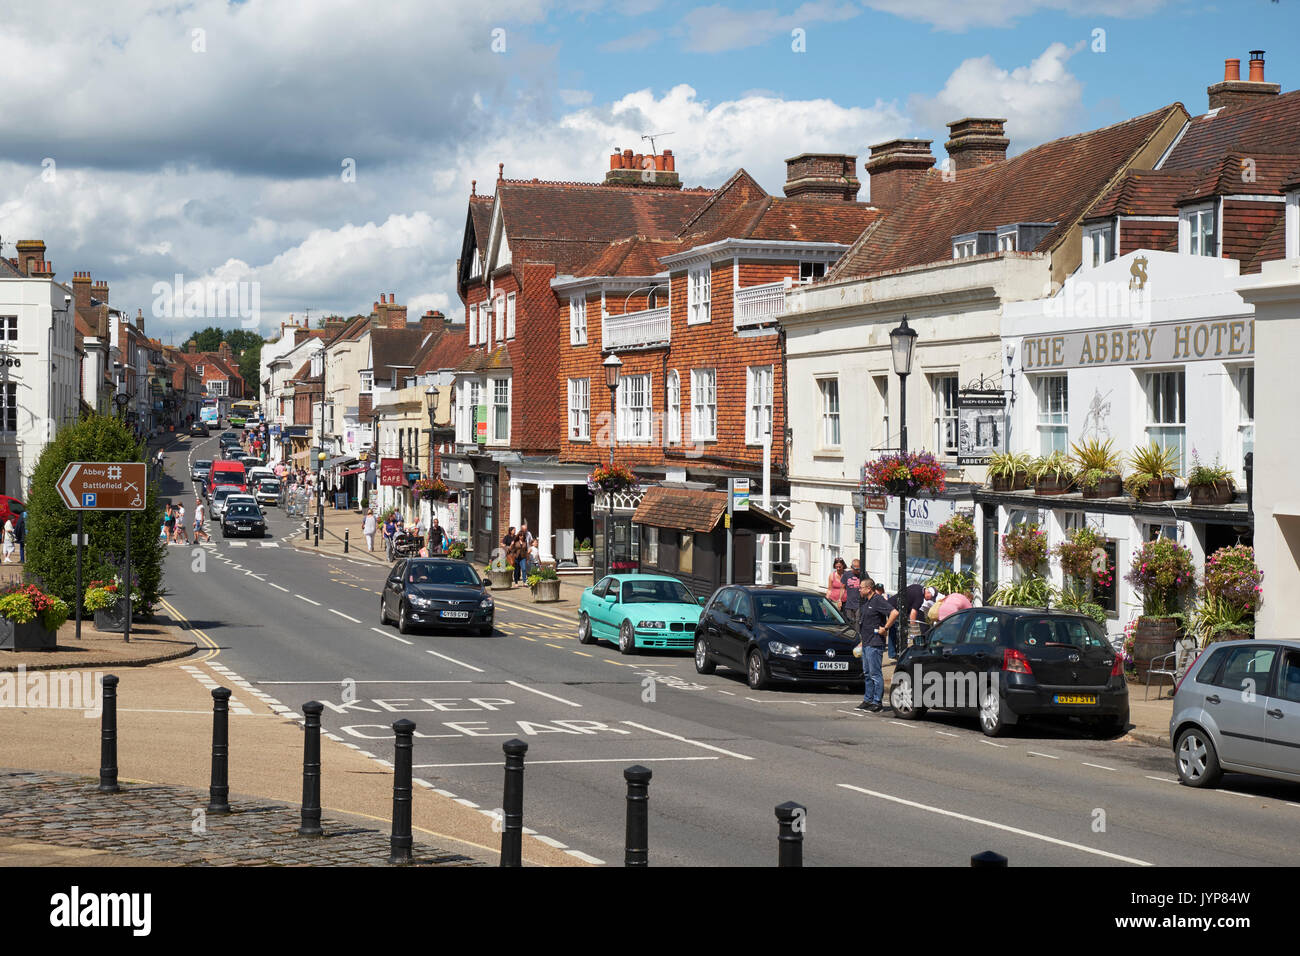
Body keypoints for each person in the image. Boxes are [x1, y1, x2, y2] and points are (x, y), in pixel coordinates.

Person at [856, 577, 897, 713]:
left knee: (875, 674)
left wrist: (885, 628)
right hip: (866, 642)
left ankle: (877, 702)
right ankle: (868, 700)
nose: (859, 589)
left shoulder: (878, 600)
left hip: (875, 643)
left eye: (861, 587)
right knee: (867, 673)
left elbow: (894, 612)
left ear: (869, 588)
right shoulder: (867, 602)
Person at [841, 559, 865, 629]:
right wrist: (839, 600)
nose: (858, 571)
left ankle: (857, 636)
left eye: (859, 569)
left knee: (858, 621)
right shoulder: (846, 574)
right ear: (852, 567)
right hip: (849, 603)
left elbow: (868, 585)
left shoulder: (863, 574)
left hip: (860, 603)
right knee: (850, 621)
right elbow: (842, 588)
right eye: (856, 569)